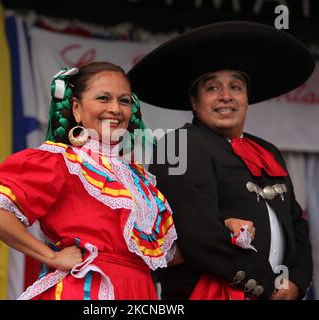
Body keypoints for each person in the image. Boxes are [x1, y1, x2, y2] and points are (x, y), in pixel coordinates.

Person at [128, 21, 314, 300]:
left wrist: (296, 281)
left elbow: (296, 223)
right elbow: (194, 231)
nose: (226, 96)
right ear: (193, 100)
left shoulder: (268, 150)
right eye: (212, 88)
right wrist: (264, 282)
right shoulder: (176, 144)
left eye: (235, 87)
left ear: (247, 97)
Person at [0, 61, 179, 300]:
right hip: (88, 290)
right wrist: (51, 257)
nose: (115, 108)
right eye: (103, 98)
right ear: (76, 109)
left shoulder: (139, 179)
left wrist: (228, 231)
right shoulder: (60, 161)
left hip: (140, 291)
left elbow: (170, 254)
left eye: (124, 100)